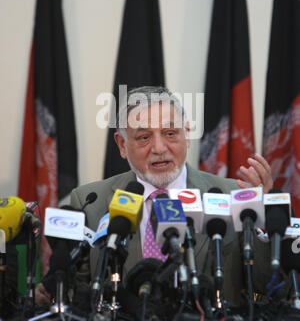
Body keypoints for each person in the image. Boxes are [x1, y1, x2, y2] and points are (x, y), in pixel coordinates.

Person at [35, 86, 275, 307]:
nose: (159, 148)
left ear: (187, 135)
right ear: (121, 144)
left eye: (170, 133)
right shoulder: (90, 201)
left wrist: (265, 221)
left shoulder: (235, 196)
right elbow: (76, 293)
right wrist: (52, 292)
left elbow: (268, 286)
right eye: (144, 137)